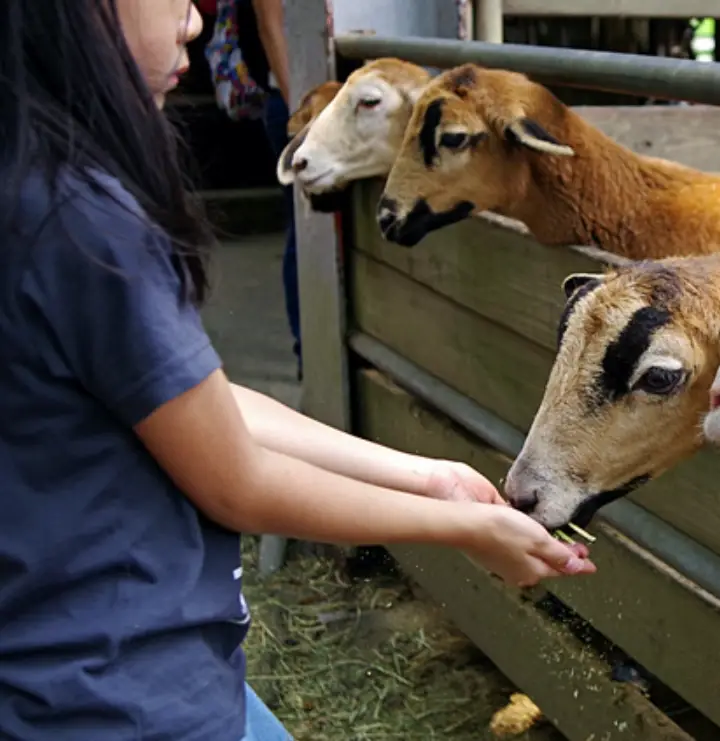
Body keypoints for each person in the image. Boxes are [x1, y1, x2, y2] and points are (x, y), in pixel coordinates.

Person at [0, 2, 596, 740]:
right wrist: (463, 526)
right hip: (123, 695)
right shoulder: (86, 222)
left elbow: (204, 405)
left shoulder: (31, 185)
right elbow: (237, 479)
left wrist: (430, 478)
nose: (194, 21)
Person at [234, 0, 302, 379]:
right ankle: (310, 354)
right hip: (296, 102)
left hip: (343, 104)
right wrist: (301, 111)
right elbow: (270, 26)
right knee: (306, 233)